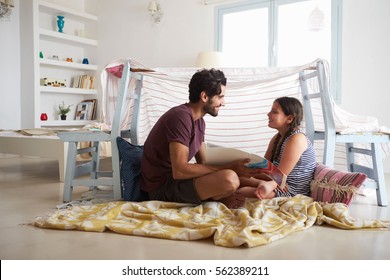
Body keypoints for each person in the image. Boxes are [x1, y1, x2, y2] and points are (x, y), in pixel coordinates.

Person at [140, 68, 258, 209]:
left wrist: (246, 172)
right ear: (204, 97)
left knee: (242, 171)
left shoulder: (200, 121)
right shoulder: (180, 117)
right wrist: (228, 169)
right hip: (162, 187)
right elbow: (180, 171)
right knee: (229, 178)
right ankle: (220, 198)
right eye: (220, 97)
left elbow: (204, 162)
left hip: (179, 181)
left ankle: (265, 186)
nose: (223, 102)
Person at [237, 96, 317, 200]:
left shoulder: (297, 139)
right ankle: (261, 184)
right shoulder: (277, 137)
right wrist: (245, 169)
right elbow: (264, 166)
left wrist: (257, 178)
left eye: (274, 112)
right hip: (275, 183)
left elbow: (280, 177)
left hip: (290, 190)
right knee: (235, 176)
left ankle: (263, 185)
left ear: (289, 118)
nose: (268, 114)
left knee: (241, 192)